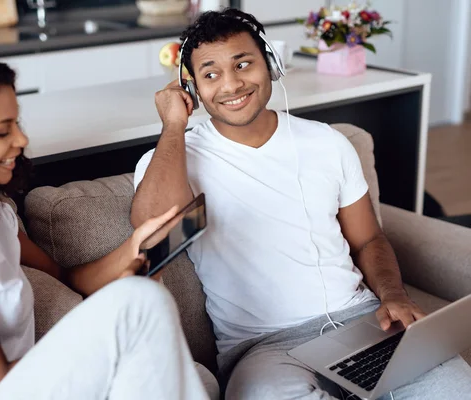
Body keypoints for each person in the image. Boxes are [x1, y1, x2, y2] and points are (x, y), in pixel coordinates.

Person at [130, 8, 471, 400]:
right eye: (210, 74)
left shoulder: (328, 143)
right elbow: (152, 231)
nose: (232, 84)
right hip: (264, 349)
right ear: (191, 88)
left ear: (271, 65)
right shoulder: (177, 158)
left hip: (363, 321)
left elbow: (368, 241)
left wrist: (394, 295)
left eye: (243, 64)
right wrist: (173, 125)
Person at [0, 42, 210, 400]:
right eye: (3, 132)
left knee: (193, 374)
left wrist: (133, 249)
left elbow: (66, 278)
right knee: (141, 304)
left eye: (16, 123)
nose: (21, 139)